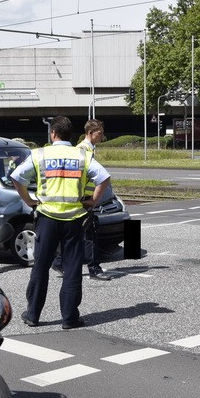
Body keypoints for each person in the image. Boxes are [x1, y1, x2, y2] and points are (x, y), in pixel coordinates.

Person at [11, 115, 111, 329]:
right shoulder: (81, 155)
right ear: (70, 135)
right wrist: (92, 201)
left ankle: (33, 315)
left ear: (53, 133)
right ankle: (69, 318)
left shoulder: (40, 154)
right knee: (73, 269)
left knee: (41, 266)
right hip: (74, 219)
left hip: (46, 217)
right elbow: (103, 178)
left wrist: (29, 200)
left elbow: (17, 177)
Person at [77, 119, 114, 281]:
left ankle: (59, 262)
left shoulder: (88, 148)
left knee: (82, 233)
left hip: (84, 198)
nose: (102, 135)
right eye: (99, 132)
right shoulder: (83, 149)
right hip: (83, 199)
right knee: (89, 233)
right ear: (90, 133)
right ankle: (94, 269)